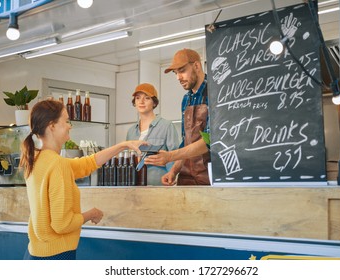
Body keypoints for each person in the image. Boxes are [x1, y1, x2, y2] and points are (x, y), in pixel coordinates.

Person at [20, 99, 146, 260]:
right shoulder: (57, 164)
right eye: (66, 121)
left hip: (34, 253)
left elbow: (86, 164)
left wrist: (123, 145)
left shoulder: (36, 159)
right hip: (56, 256)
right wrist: (90, 214)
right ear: (52, 126)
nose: (69, 126)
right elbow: (62, 224)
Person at [144, 48, 210, 186]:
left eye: (182, 71)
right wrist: (173, 171)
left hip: (210, 177)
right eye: (175, 73)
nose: (178, 77)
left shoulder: (216, 93)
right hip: (187, 177)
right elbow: (186, 142)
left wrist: (170, 156)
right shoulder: (186, 99)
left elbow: (210, 141)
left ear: (197, 66)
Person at [126, 83, 180, 185]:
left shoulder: (166, 126)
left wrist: (172, 176)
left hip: (159, 186)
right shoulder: (131, 131)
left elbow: (175, 156)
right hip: (134, 185)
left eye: (147, 98)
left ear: (154, 103)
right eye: (138, 98)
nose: (141, 101)